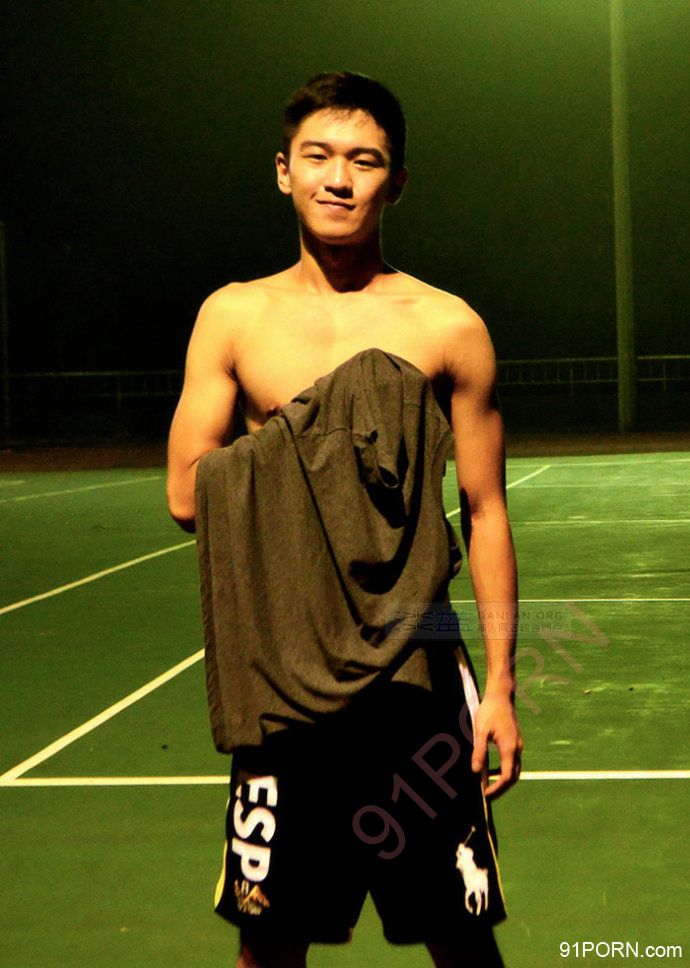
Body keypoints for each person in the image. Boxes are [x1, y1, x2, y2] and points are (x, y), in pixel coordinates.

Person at [167, 71, 522, 968]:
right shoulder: (233, 316)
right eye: (318, 156)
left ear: (395, 183)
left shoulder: (447, 325)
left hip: (417, 673)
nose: (338, 178)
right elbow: (187, 493)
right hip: (283, 678)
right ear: (282, 171)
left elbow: (485, 511)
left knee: (462, 940)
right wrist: (336, 431)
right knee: (271, 944)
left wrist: (502, 689)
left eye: (364, 161)